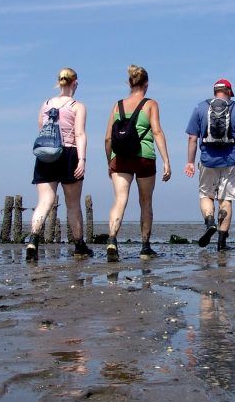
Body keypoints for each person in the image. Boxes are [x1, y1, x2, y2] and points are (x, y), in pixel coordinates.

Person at [104, 65, 172, 262]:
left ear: (129, 83)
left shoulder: (117, 105)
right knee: (145, 202)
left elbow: (108, 138)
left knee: (120, 199)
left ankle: (112, 240)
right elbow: (157, 132)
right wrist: (166, 160)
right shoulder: (150, 104)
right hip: (144, 157)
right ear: (147, 84)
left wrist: (110, 161)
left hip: (120, 157)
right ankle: (145, 247)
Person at [25, 67, 93, 261]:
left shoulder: (46, 103)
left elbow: (41, 127)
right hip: (69, 153)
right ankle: (79, 246)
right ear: (75, 83)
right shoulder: (77, 105)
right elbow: (80, 134)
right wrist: (82, 159)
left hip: (46, 154)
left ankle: (33, 241)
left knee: (44, 201)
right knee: (73, 204)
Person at [184, 78, 235, 250]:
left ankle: (209, 223)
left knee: (206, 196)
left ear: (215, 91)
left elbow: (192, 137)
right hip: (232, 160)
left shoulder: (200, 107)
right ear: (229, 92)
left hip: (207, 160)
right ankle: (221, 243)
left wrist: (190, 162)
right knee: (226, 200)